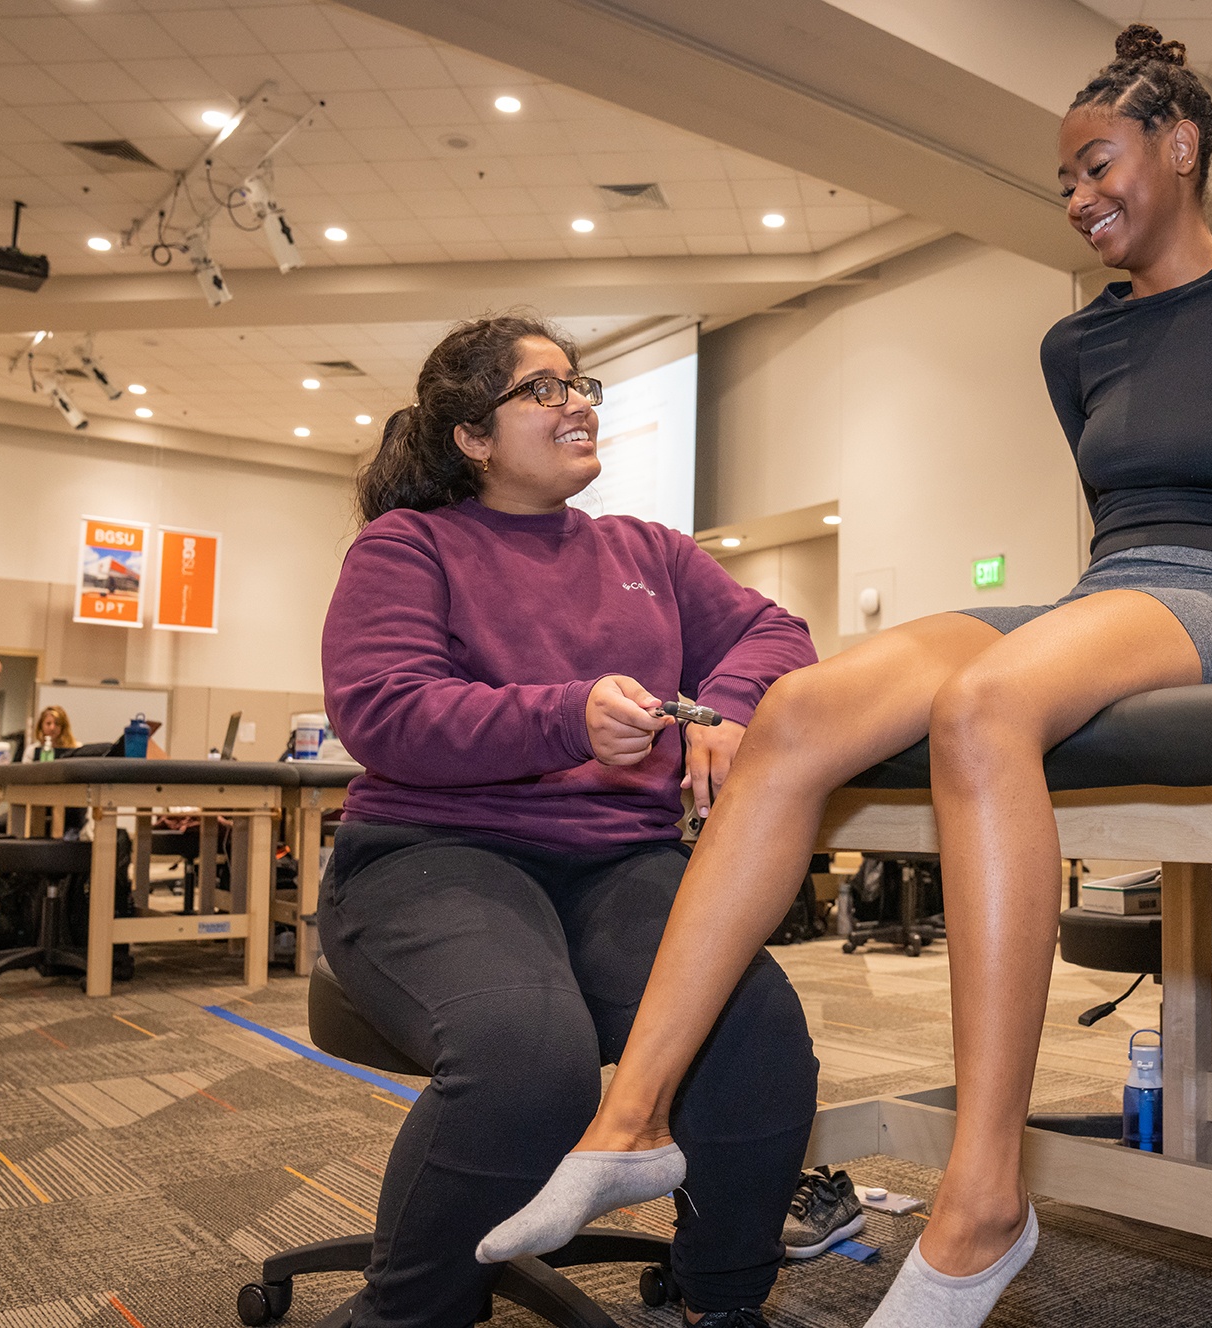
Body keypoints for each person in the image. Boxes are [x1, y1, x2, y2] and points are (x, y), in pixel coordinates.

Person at [482, 24, 1212, 1327]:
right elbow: (1105, 543)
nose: (1077, 198)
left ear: (1182, 145)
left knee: (986, 701)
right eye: (1062, 179)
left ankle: (986, 1197)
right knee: (803, 708)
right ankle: (631, 1122)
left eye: (1097, 164)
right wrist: (1073, 626)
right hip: (1109, 594)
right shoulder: (1078, 345)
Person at [318, 314, 821, 1328]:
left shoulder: (649, 552)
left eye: (581, 383)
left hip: (615, 859)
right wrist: (565, 713)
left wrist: (722, 706)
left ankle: (719, 1300)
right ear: (471, 435)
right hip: (430, 854)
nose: (579, 402)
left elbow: (779, 631)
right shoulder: (407, 546)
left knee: (757, 1031)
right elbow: (384, 708)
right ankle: (404, 1313)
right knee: (526, 1054)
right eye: (543, 390)